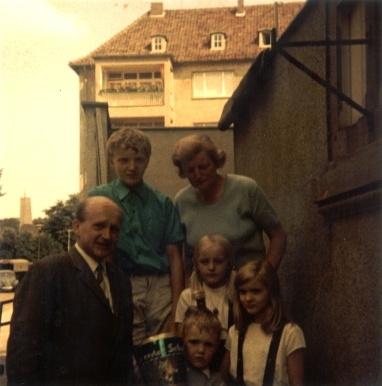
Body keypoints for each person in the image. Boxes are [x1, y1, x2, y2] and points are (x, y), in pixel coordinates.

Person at [6, 196, 134, 385]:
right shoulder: (48, 272)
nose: (107, 235)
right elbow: (23, 354)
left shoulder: (121, 281)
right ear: (76, 227)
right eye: (99, 226)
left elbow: (123, 356)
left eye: (114, 229)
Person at [88, 128, 185, 346]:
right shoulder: (99, 197)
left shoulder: (162, 203)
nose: (132, 167)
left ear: (148, 160)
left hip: (160, 287)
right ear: (112, 162)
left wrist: (177, 309)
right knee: (129, 349)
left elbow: (174, 256)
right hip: (122, 281)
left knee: (164, 349)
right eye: (123, 160)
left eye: (139, 159)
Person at [172, 134, 287, 276]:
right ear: (183, 172)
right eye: (190, 170)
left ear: (216, 162)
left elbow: (278, 236)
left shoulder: (245, 188)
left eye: (203, 167)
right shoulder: (182, 201)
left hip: (249, 290)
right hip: (208, 293)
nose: (198, 174)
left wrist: (265, 276)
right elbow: (186, 258)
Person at [220, 260, 305, 386]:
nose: (248, 298)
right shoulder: (235, 331)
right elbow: (223, 377)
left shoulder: (290, 333)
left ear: (271, 292)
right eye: (243, 292)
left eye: (256, 291)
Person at [175, 234, 235, 370]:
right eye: (204, 261)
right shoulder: (187, 296)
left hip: (228, 362)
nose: (211, 267)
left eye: (218, 261)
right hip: (195, 366)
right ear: (197, 264)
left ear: (229, 263)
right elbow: (180, 338)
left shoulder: (237, 296)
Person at [182, 307, 226, 386]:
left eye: (208, 344)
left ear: (216, 348)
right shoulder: (174, 373)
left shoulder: (217, 381)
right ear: (183, 341)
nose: (201, 350)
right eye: (194, 342)